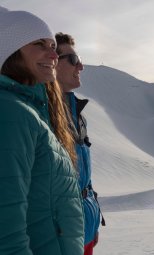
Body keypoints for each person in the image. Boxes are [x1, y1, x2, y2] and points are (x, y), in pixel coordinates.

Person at [0, 6, 84, 255]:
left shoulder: (31, 110)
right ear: (10, 51)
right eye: (40, 44)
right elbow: (6, 233)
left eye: (53, 47)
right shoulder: (12, 113)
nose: (53, 55)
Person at [55, 32, 104, 255]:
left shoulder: (78, 113)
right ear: (53, 63)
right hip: (63, 236)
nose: (81, 66)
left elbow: (85, 178)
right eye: (73, 60)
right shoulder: (41, 114)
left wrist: (93, 218)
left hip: (85, 227)